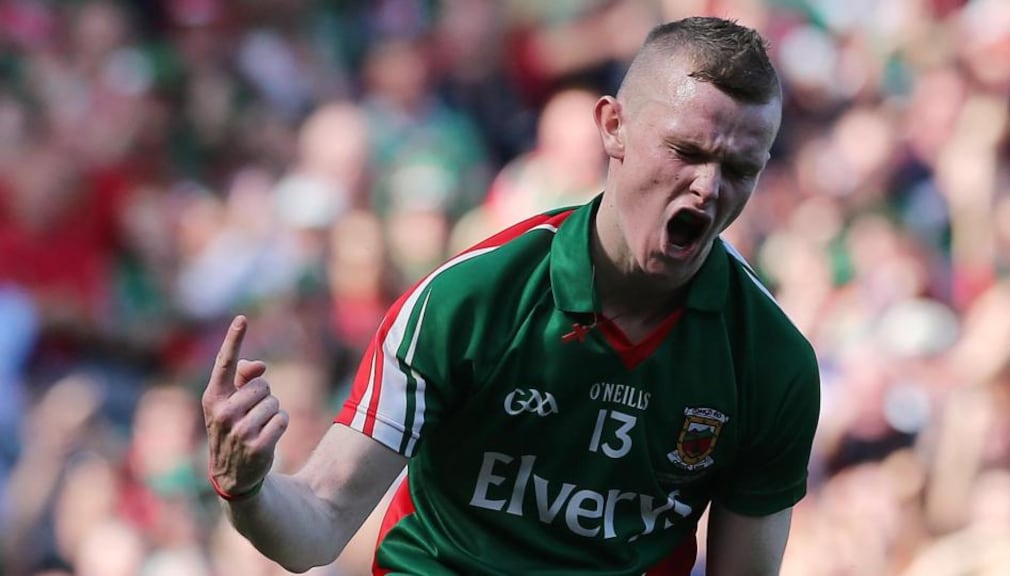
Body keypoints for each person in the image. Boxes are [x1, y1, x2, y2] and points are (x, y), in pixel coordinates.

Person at [202, 16, 820, 575]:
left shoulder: (772, 361)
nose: (708, 187)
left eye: (740, 169)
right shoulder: (470, 300)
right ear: (614, 127)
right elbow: (318, 523)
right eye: (686, 151)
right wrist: (248, 489)